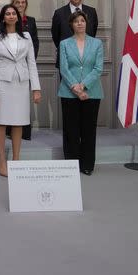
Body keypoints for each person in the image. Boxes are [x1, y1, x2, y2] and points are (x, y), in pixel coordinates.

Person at [0, 4, 42, 177]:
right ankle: (2, 159)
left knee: (19, 122)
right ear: (3, 18)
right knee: (2, 121)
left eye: (13, 13)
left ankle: (16, 160)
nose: (11, 16)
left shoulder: (26, 36)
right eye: (7, 14)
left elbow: (31, 63)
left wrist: (36, 88)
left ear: (18, 17)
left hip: (21, 84)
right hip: (3, 84)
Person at [58, 10, 104, 175]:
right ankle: (71, 166)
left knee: (88, 130)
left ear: (86, 23)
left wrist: (83, 86)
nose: (79, 23)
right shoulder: (64, 44)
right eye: (76, 21)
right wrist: (75, 88)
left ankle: (87, 165)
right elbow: (64, 68)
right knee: (71, 130)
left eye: (82, 21)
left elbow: (98, 68)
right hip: (68, 92)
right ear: (71, 24)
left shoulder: (97, 43)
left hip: (92, 92)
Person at [6, 0, 39, 141]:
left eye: (23, 2)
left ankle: (25, 132)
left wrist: (27, 63)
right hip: (10, 68)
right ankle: (9, 131)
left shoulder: (30, 21)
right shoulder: (8, 19)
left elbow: (35, 44)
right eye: (17, 2)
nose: (20, 5)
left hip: (24, 67)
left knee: (24, 101)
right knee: (10, 100)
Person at [51, 0, 99, 69]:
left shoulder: (91, 12)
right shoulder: (59, 13)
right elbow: (56, 36)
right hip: (66, 60)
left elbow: (92, 32)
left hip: (88, 59)